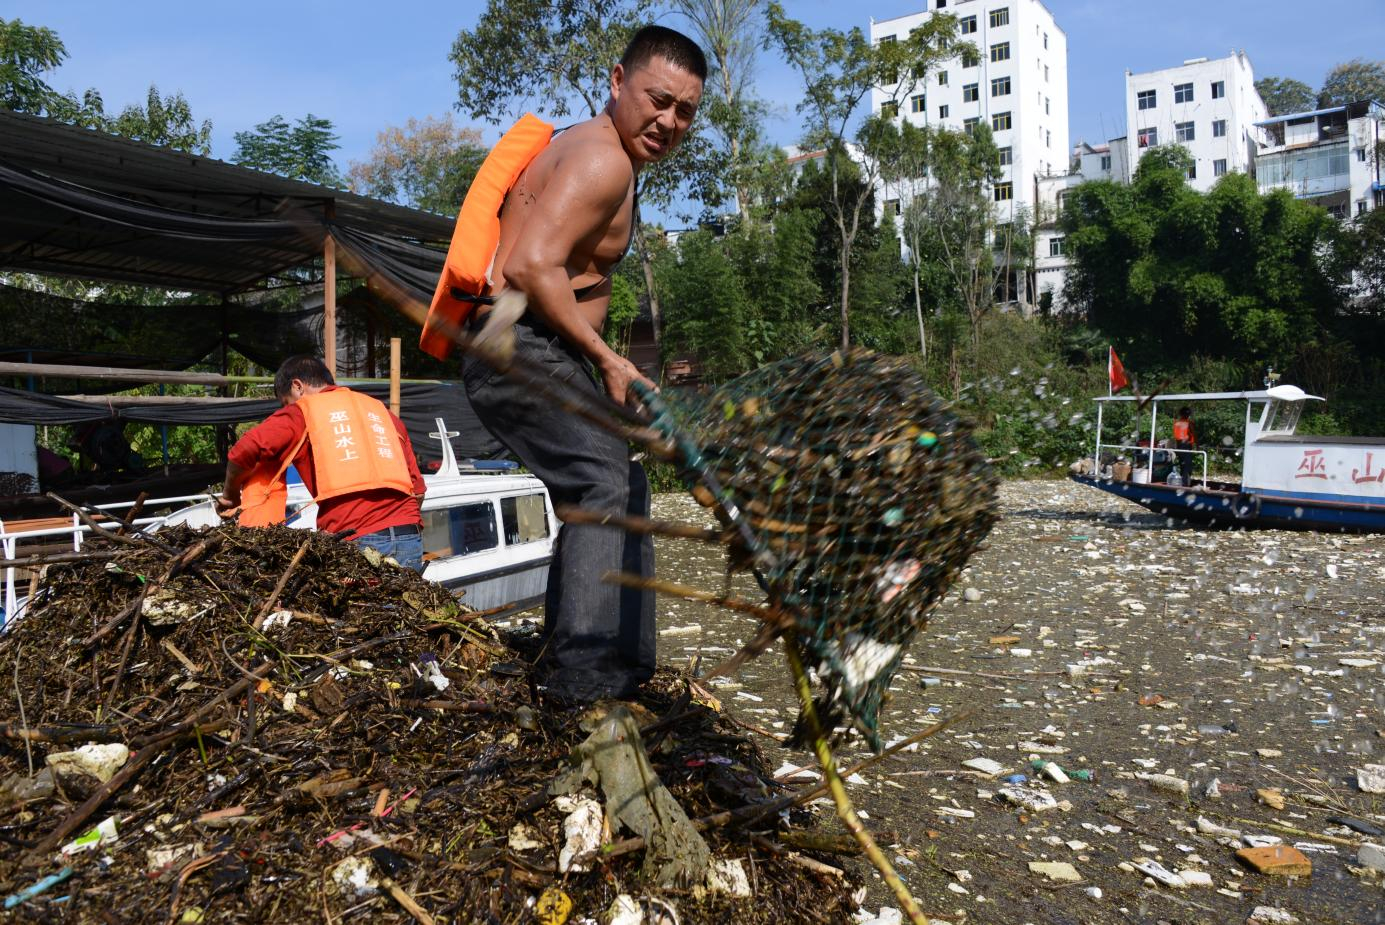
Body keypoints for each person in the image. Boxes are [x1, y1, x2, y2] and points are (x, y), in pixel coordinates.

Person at [459, 26, 706, 703]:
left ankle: (616, 663)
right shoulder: (606, 162)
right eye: (658, 100)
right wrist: (606, 357)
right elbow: (527, 264)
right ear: (617, 80)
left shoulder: (585, 147)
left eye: (684, 111)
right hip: (515, 338)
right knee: (600, 481)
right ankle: (582, 680)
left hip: (528, 342)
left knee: (618, 484)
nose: (668, 122)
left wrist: (595, 365)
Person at [216, 356, 427, 571]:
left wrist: (230, 496)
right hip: (409, 536)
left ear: (297, 387)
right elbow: (418, 490)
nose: (284, 409)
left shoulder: (302, 412)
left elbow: (243, 451)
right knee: (404, 604)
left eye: (285, 402)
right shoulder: (382, 413)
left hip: (356, 539)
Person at [1173, 406, 1197, 485]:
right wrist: (1197, 444)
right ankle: (1185, 483)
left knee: (1182, 465)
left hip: (1179, 445)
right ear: (1188, 414)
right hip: (1186, 445)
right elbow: (1193, 434)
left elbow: (1176, 436)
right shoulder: (1189, 423)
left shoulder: (1176, 422)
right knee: (1187, 466)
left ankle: (1183, 482)